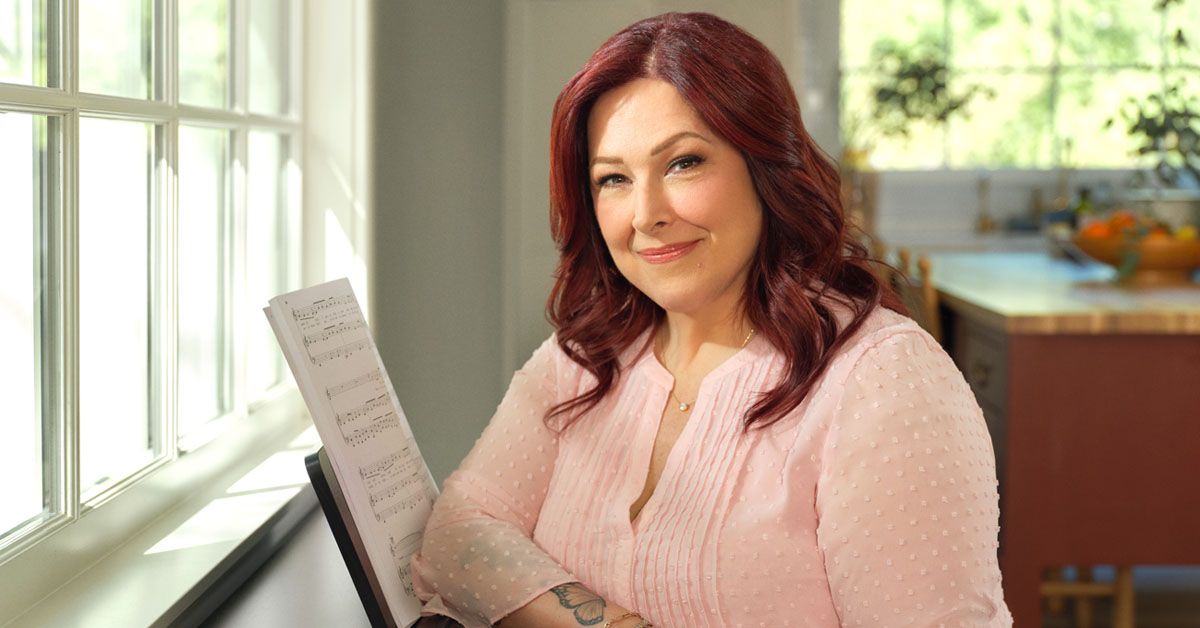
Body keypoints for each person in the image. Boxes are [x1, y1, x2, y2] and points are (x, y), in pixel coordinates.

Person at [410, 12, 1011, 627]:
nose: (645, 214)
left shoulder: (882, 379)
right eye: (613, 178)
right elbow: (458, 532)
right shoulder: (586, 355)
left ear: (765, 165)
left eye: (683, 163)